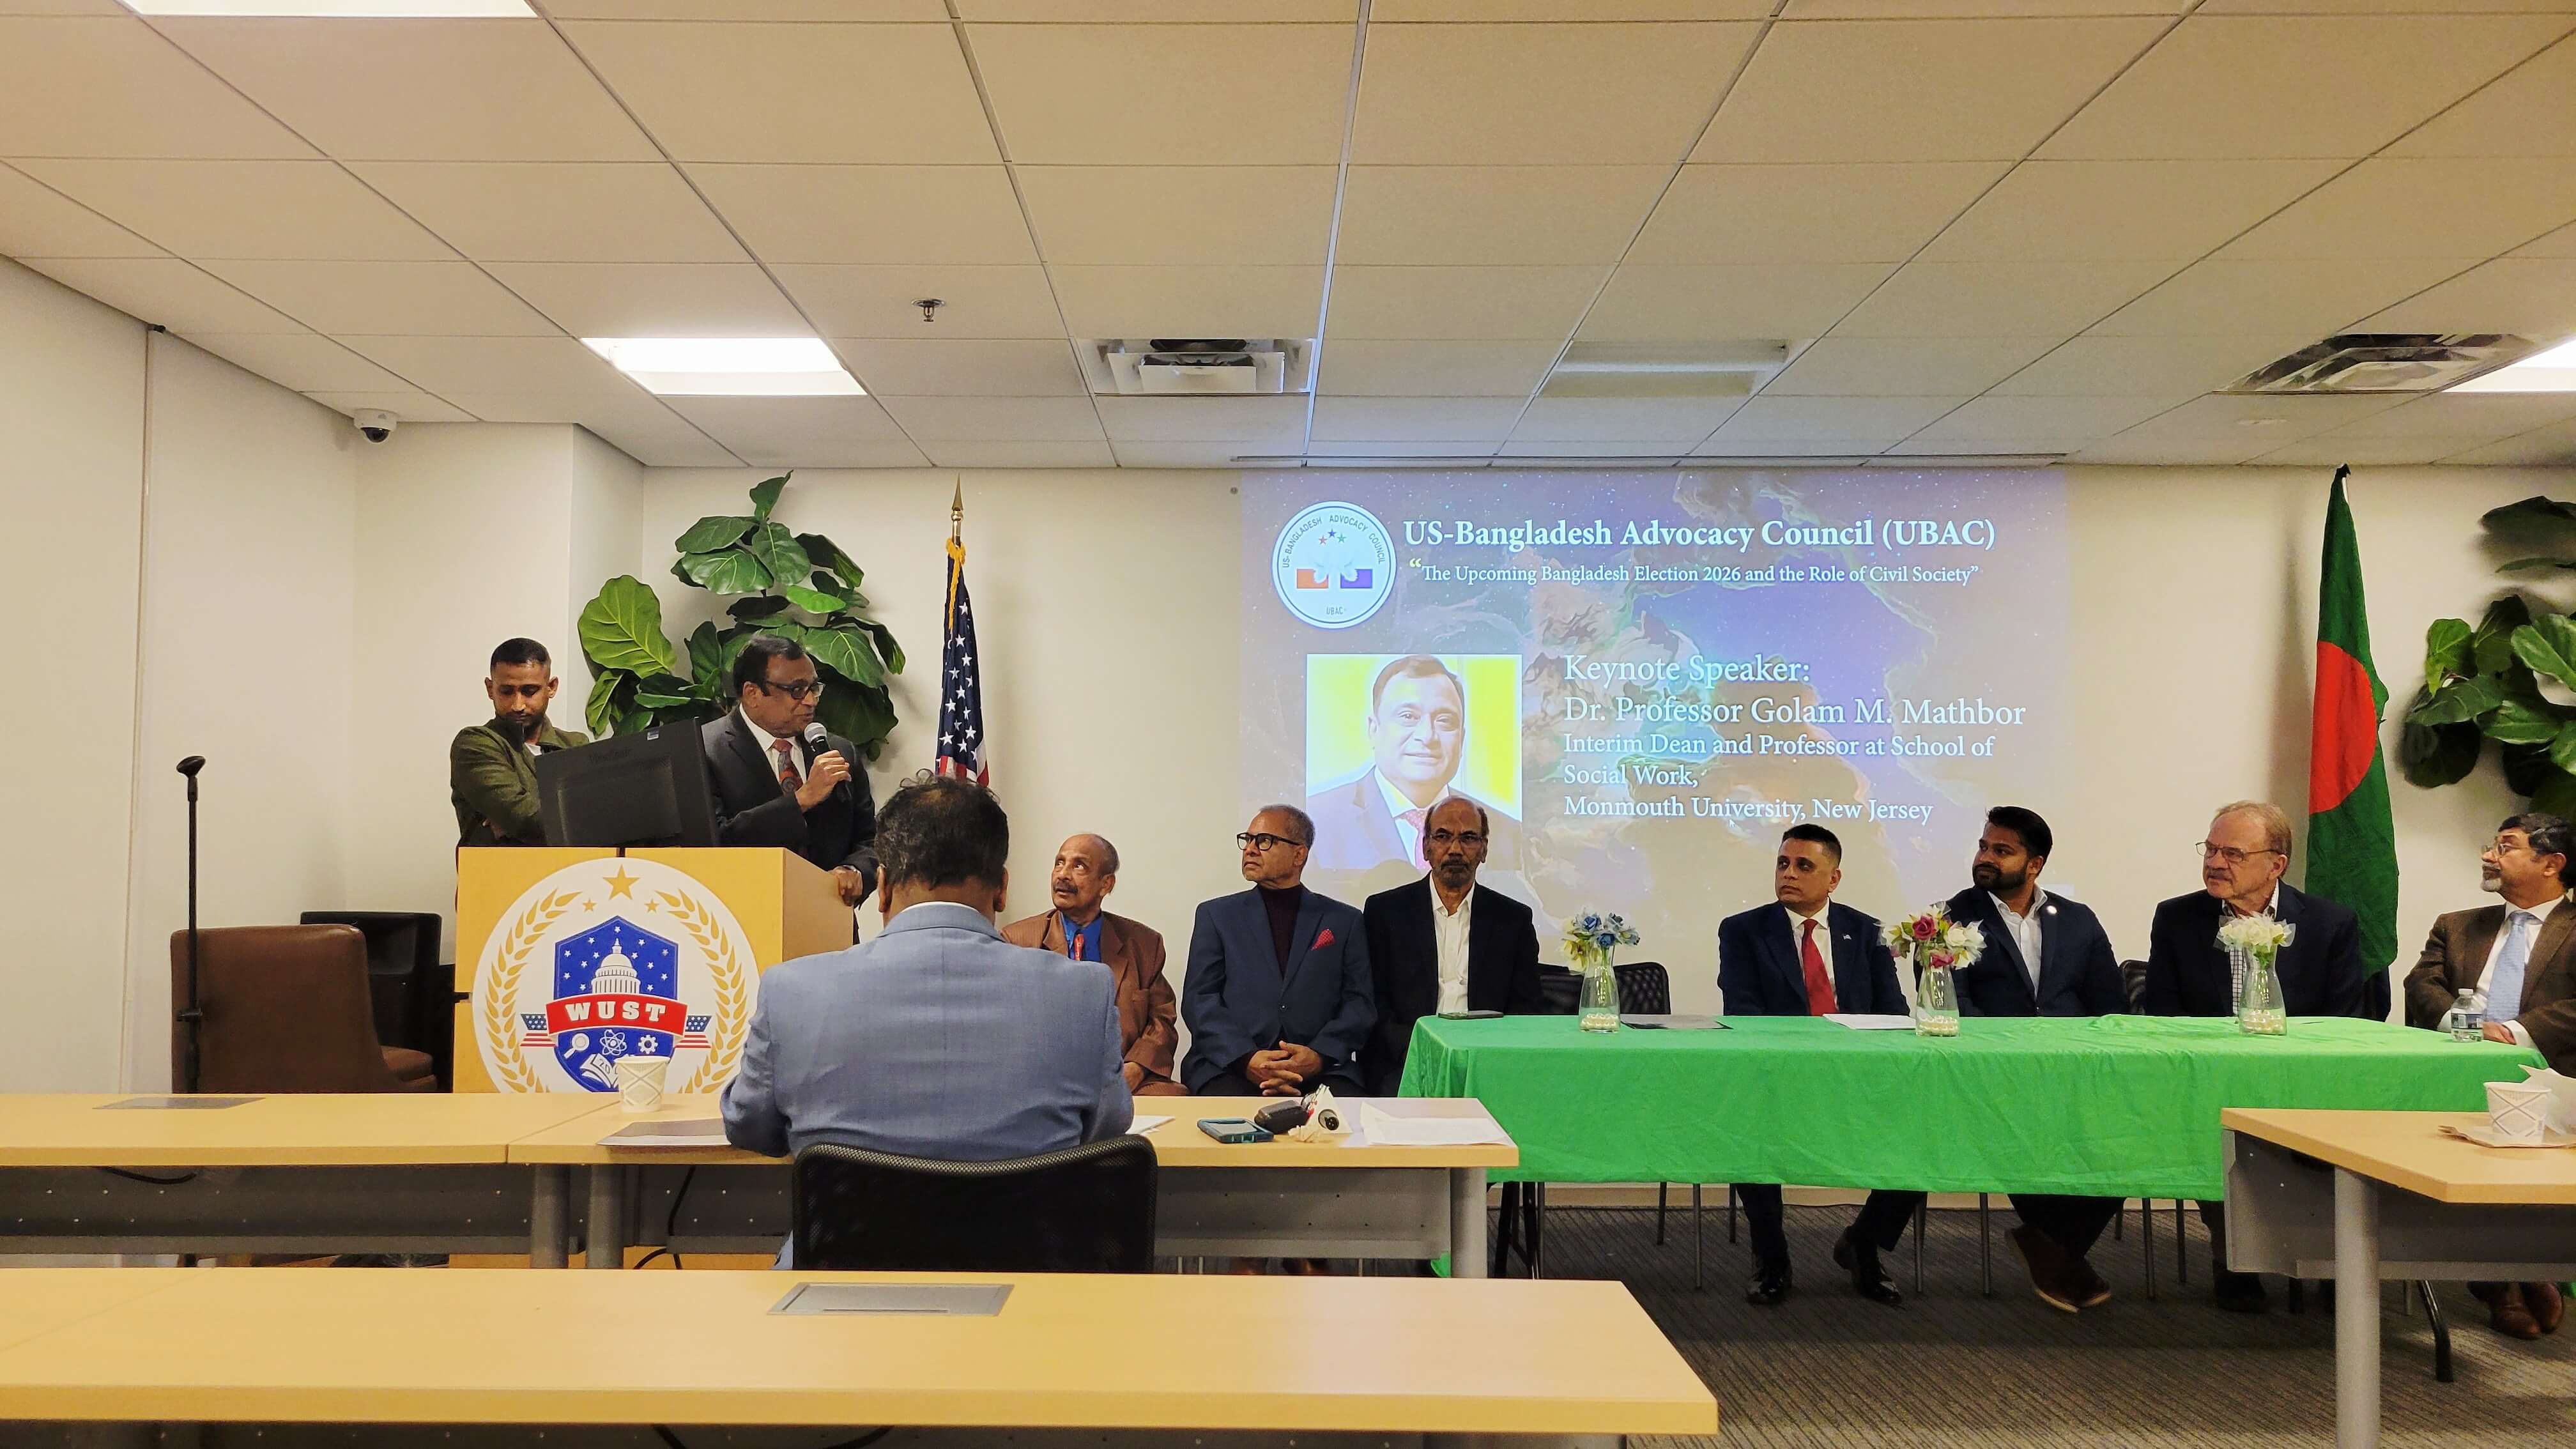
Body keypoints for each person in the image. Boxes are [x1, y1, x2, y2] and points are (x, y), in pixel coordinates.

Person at [720, 775, 1132, 1259]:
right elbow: (1106, 1130)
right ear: (1002, 889)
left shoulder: (791, 989)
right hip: (1027, 1302)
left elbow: (750, 1127)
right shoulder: (1084, 990)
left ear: (882, 887)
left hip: (834, 1302)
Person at [2142, 799, 2366, 1312]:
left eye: (2233, 853)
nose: (2215, 863)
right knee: (2211, 1130)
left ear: (2276, 865)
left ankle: (2332, 1260)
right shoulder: (2177, 918)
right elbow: (2163, 1014)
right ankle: (2235, 1257)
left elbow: (2344, 1022)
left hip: (2304, 1081)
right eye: (2212, 849)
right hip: (2210, 1077)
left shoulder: (2331, 923)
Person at [1716, 823, 1918, 1308]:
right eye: (1783, 863)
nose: (1789, 873)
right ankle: (1772, 1258)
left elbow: (1893, 1013)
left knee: (1921, 1129)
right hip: (1779, 1076)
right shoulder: (1743, 930)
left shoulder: (1867, 932)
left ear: (1834, 879)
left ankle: (1864, 1244)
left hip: (1859, 1073)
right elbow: (1742, 1012)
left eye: (1804, 865)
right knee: (1751, 1127)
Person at [1943, 806, 2127, 1313]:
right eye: (1984, 846)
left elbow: (2109, 1003)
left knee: (2128, 1143)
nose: (1986, 858)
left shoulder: (2077, 918)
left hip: (2076, 1071)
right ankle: (2061, 1255)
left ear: (2035, 864)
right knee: (2018, 1133)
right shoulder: (1952, 917)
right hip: (1998, 1071)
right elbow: (1953, 1002)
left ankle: (2046, 1245)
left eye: (2002, 851)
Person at [2402, 811, 2576, 1340]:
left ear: (2552, 864)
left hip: (2557, 1074)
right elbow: (2422, 983)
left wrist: (2517, 1033)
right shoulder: (2458, 924)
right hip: (2457, 1077)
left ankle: (2531, 1268)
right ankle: (2500, 1283)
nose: (2489, 856)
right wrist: (2472, 1028)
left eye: (2506, 847)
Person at [1181, 805, 1374, 1098]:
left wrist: (1319, 1055)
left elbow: (1359, 1004)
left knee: (1341, 1121)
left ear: (1299, 854)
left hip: (1320, 1068)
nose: (1250, 850)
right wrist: (1247, 1058)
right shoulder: (1216, 916)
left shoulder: (1344, 921)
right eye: (1247, 840)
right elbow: (1200, 1001)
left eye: (1264, 841)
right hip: (1232, 1066)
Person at [1361, 797, 1545, 1096]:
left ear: (1484, 849)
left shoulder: (1513, 919)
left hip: (1486, 1061)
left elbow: (1527, 1006)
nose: (1456, 849)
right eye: (1443, 836)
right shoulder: (1385, 912)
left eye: (1469, 838)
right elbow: (1372, 1000)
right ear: (1426, 847)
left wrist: (1485, 1053)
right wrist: (1423, 1051)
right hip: (1405, 1061)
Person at [701, 634, 877, 907]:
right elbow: (714, 844)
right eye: (797, 690)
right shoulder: (705, 750)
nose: (811, 701)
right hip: (742, 924)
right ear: (753, 693)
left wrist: (854, 871)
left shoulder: (839, 751)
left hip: (829, 922)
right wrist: (800, 800)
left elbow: (870, 839)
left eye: (814, 687)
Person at [1002, 833, 1183, 1097]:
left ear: (1105, 884)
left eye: (1079, 866)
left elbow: (1162, 1020)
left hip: (1121, 1081)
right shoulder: (1017, 941)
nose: (1062, 875)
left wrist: (1137, 1068)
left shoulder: (1144, 944)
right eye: (1059, 863)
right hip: (1043, 1082)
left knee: (1174, 1099)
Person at [1307, 655, 1521, 875]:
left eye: (1445, 720)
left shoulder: (1506, 833)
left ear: (1462, 738)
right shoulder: (1315, 822)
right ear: (1374, 730)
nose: (1427, 736)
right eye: (1408, 716)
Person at [450, 637, 588, 846]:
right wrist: (521, 820)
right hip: (500, 876)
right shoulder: (475, 744)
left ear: (551, 687)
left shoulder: (575, 744)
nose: (518, 705)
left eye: (529, 691)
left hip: (574, 874)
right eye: (506, 691)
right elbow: (522, 816)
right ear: (490, 688)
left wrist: (515, 826)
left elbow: (606, 814)